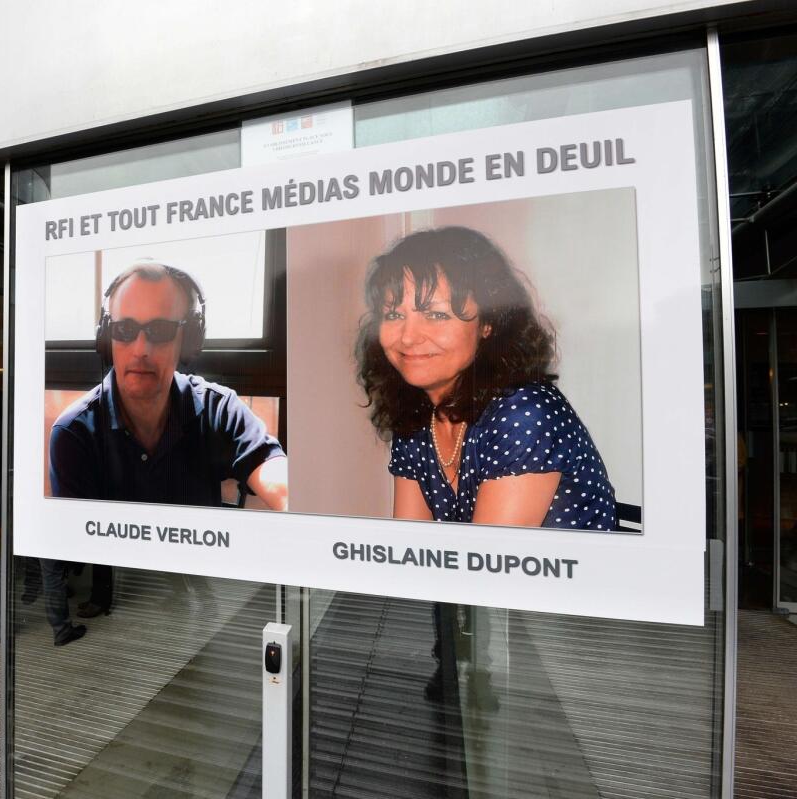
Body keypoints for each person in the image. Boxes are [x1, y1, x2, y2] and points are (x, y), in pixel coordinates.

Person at [47, 261, 289, 645]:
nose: (140, 348)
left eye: (159, 332)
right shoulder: (74, 432)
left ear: (189, 340)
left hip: (202, 613)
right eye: (124, 330)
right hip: (122, 624)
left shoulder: (217, 408)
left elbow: (274, 473)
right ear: (106, 338)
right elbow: (71, 549)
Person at [353, 226, 616, 529]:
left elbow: (489, 569)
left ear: (488, 324)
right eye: (394, 315)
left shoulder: (524, 414)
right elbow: (409, 549)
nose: (408, 338)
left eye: (436, 315)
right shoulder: (416, 413)